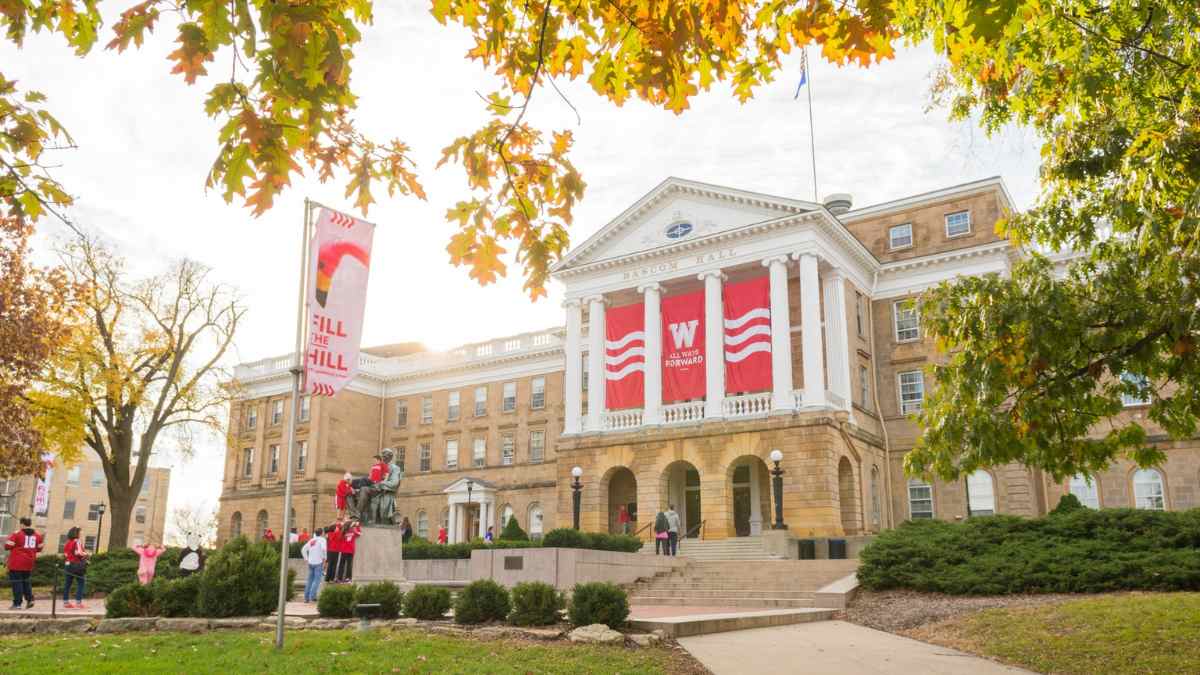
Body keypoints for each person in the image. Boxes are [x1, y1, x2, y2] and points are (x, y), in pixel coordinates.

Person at [5, 517, 42, 610]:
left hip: (17, 562)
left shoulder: (17, 534)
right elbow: (39, 548)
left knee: (17, 583)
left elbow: (7, 546)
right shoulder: (37, 535)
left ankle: (17, 604)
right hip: (29, 562)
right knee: (26, 582)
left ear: (22, 524)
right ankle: (30, 600)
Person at [62, 527, 89, 609]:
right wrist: (87, 554)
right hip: (76, 565)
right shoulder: (77, 541)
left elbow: (65, 554)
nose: (81, 534)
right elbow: (79, 553)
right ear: (76, 533)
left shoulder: (67, 543)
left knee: (67, 584)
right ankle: (78, 602)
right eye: (80, 532)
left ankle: (66, 602)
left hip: (68, 564)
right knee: (81, 583)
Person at [300, 527, 327, 603]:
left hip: (311, 562)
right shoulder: (322, 540)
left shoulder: (312, 540)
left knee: (310, 580)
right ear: (322, 533)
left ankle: (306, 597)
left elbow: (303, 549)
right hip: (318, 562)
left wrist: (306, 559)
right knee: (317, 581)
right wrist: (325, 558)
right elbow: (324, 549)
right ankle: (312, 596)